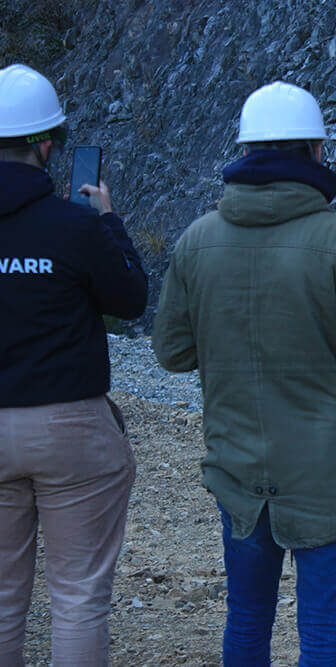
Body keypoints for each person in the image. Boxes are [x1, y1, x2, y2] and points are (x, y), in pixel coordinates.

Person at [153, 80, 336, 666]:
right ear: (317, 152)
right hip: (329, 474)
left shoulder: (196, 241)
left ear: (243, 152)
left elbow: (171, 353)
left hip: (238, 468)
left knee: (246, 619)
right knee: (322, 632)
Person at [0, 64, 148, 666]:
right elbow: (130, 300)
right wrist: (108, 220)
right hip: (71, 429)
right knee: (78, 597)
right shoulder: (75, 224)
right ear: (46, 144)